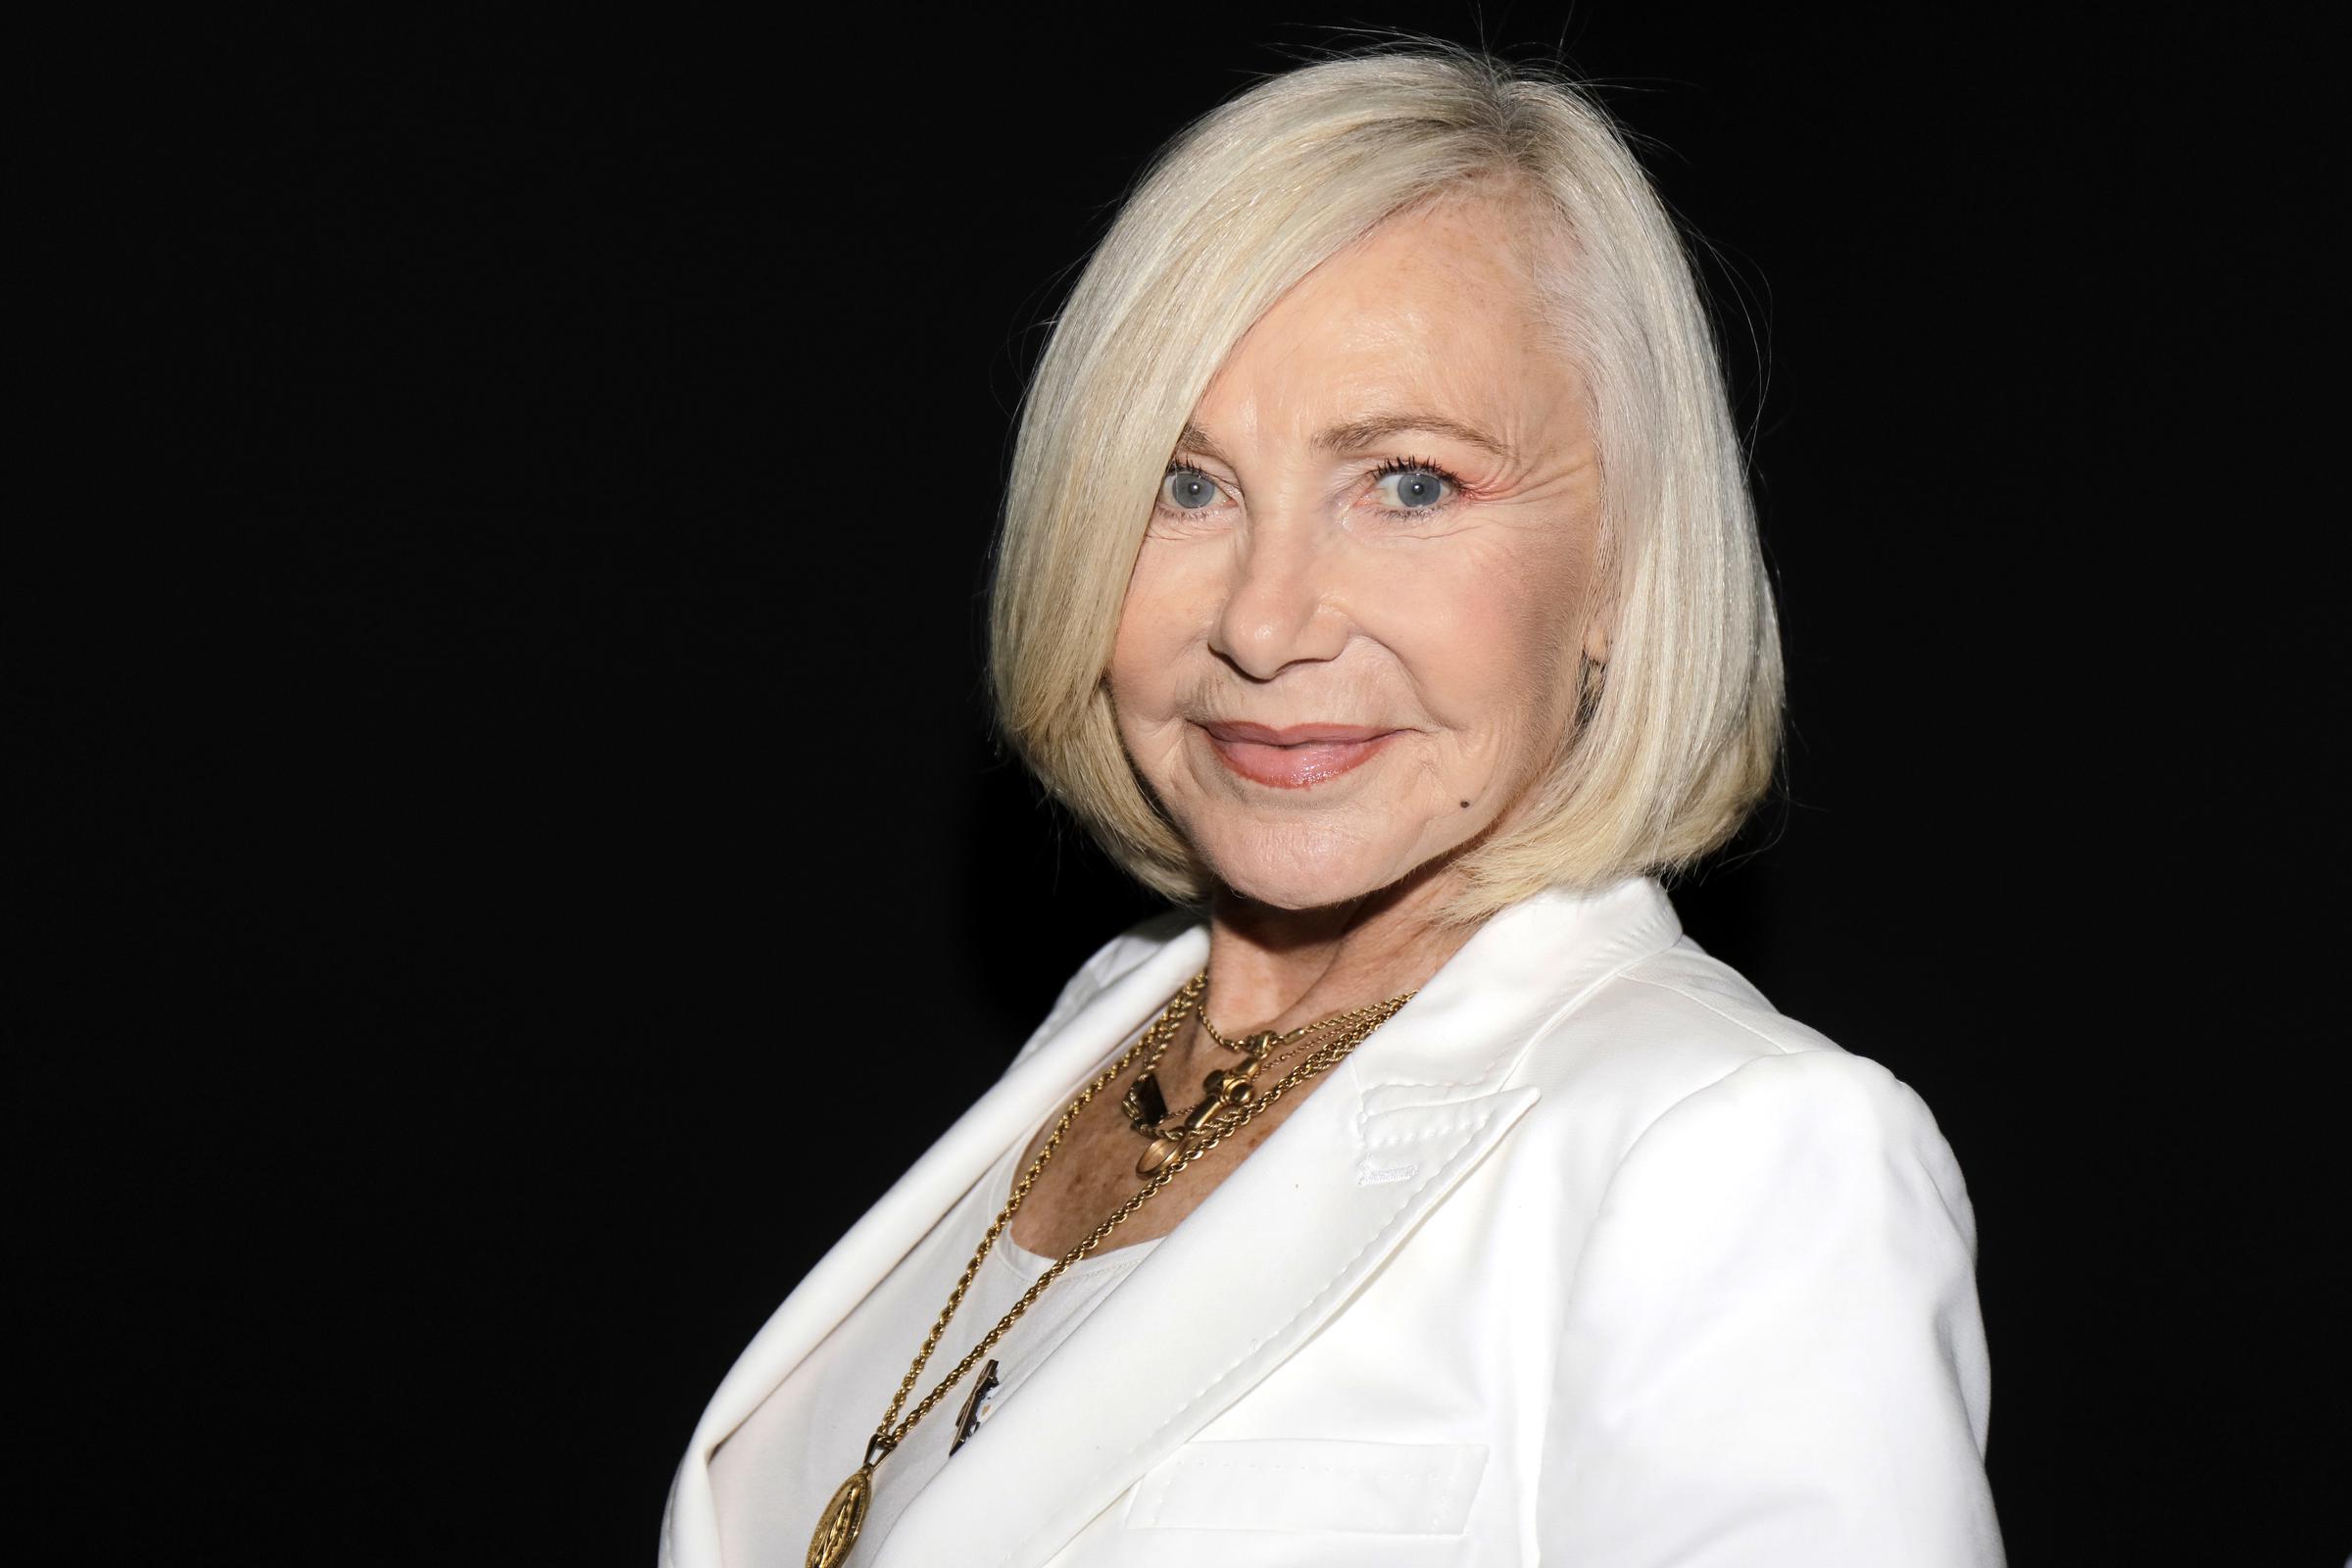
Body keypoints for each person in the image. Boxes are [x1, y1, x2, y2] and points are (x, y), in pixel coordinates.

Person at [661, 41, 2001, 1568]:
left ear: (1623, 569)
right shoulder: (1110, 1030)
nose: (1266, 619)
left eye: (1409, 482)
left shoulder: (1740, 1160)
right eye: (1185, 483)